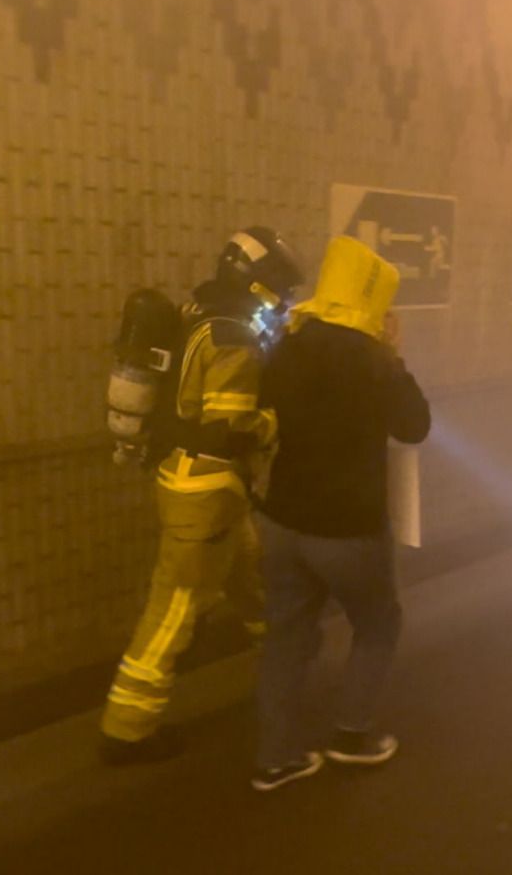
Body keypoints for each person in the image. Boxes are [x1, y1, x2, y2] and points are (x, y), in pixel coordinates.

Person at [99, 227, 303, 765]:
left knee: (252, 574)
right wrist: (275, 424)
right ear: (260, 282)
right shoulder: (234, 333)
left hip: (198, 484)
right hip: (206, 488)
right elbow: (229, 425)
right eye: (280, 288)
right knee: (175, 609)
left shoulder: (198, 313)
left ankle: (285, 665)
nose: (282, 301)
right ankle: (126, 729)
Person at [250, 236, 431, 791]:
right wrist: (394, 356)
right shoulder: (372, 360)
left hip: (280, 520)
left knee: (286, 632)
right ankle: (351, 736)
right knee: (378, 623)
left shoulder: (287, 346)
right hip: (346, 529)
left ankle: (276, 759)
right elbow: (414, 426)